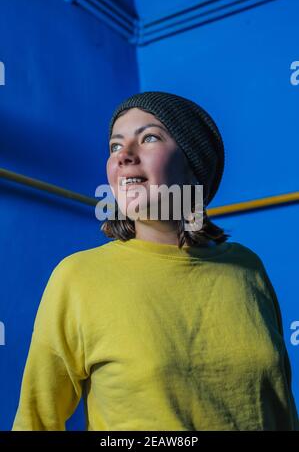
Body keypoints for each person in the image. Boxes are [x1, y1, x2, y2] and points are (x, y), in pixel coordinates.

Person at [12, 91, 299, 431]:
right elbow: (36, 421)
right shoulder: (76, 277)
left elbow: (281, 408)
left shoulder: (248, 268)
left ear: (194, 168)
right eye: (115, 146)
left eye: (149, 138)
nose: (124, 156)